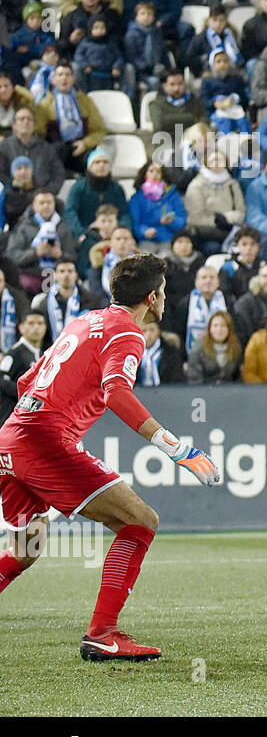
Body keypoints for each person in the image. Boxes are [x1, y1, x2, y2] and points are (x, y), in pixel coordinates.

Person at [0, 253, 220, 661]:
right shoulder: (127, 333)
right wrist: (176, 448)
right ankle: (102, 633)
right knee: (142, 520)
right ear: (152, 299)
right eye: (165, 293)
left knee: (25, 550)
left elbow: (26, 380)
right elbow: (116, 392)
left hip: (11, 437)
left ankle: (103, 632)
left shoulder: (85, 320)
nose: (166, 299)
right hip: (43, 440)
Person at [0, 311, 47, 421]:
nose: (36, 327)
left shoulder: (44, 354)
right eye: (31, 323)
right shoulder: (15, 353)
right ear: (21, 328)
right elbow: (2, 380)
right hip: (9, 418)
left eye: (40, 323)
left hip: (29, 420)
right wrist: (27, 396)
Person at [185, 309, 241, 383]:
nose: (219, 329)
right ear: (209, 329)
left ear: (229, 329)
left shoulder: (235, 348)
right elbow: (194, 380)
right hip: (204, 391)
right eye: (215, 326)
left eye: (223, 326)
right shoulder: (198, 349)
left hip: (229, 391)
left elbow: (237, 378)